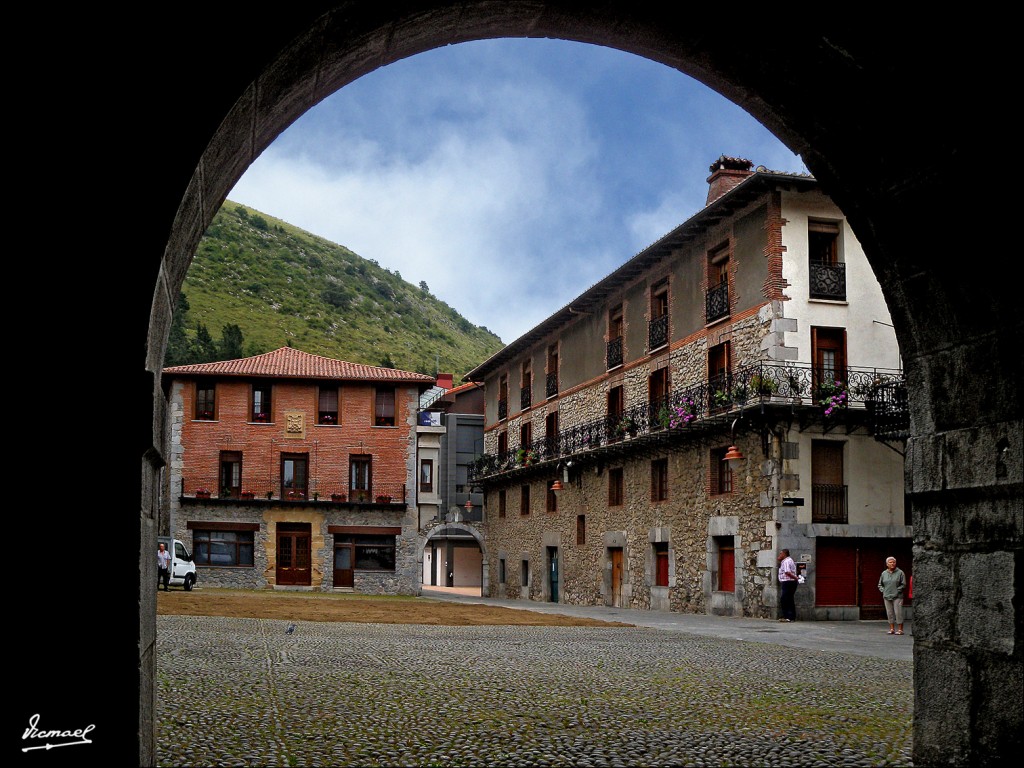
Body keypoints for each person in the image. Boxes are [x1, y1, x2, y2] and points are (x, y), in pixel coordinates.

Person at [878, 556, 907, 635]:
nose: (892, 564)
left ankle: (900, 629)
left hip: (898, 596)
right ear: (887, 564)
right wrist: (883, 591)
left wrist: (897, 591)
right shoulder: (884, 573)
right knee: (889, 613)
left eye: (894, 562)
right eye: (890, 562)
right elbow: (880, 584)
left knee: (898, 613)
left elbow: (903, 584)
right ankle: (891, 629)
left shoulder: (900, 572)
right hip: (887, 596)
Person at [777, 548, 798, 622]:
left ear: (784, 554)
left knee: (785, 599)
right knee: (789, 599)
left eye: (780, 553)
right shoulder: (788, 560)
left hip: (788, 582)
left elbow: (787, 572)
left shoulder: (786, 561)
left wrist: (796, 578)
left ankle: (788, 617)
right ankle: (791, 617)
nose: (779, 555)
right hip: (789, 582)